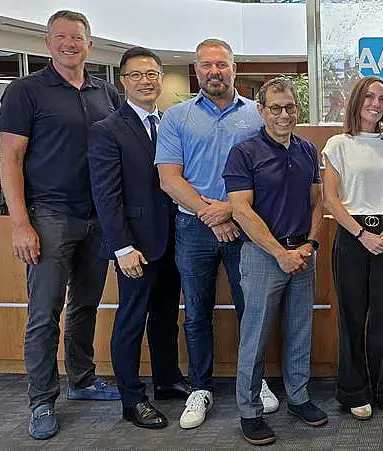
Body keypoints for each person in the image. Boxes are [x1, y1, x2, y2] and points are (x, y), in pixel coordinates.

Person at [0, 10, 121, 440]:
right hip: (48, 216)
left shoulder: (107, 92)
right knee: (44, 312)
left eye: (78, 37)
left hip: (98, 217)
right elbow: (9, 159)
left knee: (86, 305)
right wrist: (19, 224)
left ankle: (83, 380)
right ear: (49, 43)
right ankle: (41, 400)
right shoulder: (25, 91)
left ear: (90, 43)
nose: (70, 43)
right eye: (61, 37)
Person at [155, 38, 277, 430]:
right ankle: (200, 388)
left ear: (234, 68)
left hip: (247, 226)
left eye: (221, 64)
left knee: (251, 309)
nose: (214, 72)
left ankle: (254, 383)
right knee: (197, 312)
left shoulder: (258, 117)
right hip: (194, 227)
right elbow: (169, 178)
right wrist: (210, 212)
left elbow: (270, 175)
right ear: (197, 69)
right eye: (206, 65)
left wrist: (230, 210)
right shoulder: (177, 117)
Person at [88, 47, 191, 430]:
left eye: (152, 74)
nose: (146, 81)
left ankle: (166, 379)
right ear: (123, 81)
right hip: (135, 246)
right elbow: (106, 195)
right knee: (131, 321)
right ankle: (132, 399)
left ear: (161, 78)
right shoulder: (106, 130)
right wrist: (123, 247)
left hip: (173, 239)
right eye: (136, 75)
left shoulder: (171, 123)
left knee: (166, 316)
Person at [224, 77, 327, 445]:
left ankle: (298, 398)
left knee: (300, 330)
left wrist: (310, 245)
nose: (284, 115)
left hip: (303, 254)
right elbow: (241, 209)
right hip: (263, 256)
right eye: (276, 108)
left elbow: (318, 201)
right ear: (261, 110)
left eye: (290, 107)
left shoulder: (307, 150)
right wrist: (280, 253)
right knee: (255, 337)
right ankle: (250, 412)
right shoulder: (244, 152)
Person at [321, 76, 383, 421]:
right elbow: (330, 197)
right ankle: (353, 390)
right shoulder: (338, 144)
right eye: (370, 97)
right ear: (357, 100)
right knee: (351, 316)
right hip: (352, 237)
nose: (376, 103)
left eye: (382, 98)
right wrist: (362, 234)